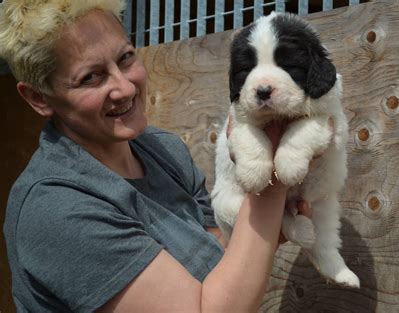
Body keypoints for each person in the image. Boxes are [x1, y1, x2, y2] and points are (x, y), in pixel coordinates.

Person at [0, 0, 314, 312]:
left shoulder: (164, 150)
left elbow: (212, 253)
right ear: (39, 98)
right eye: (90, 78)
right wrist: (270, 180)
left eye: (125, 58)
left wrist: (259, 232)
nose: (124, 87)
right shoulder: (56, 208)